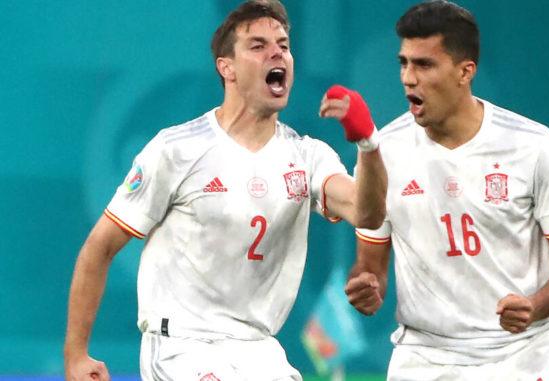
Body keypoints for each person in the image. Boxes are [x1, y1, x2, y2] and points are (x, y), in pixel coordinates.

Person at [63, 1, 386, 380]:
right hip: (183, 347)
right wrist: (76, 354)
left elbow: (367, 213)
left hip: (259, 349)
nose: (277, 52)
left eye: (283, 44)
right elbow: (99, 247)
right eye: (258, 45)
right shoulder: (177, 149)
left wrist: (368, 143)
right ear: (226, 67)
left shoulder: (307, 156)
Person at [344, 1, 549, 380]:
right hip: (427, 356)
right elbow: (371, 266)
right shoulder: (382, 154)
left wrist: (534, 305)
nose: (408, 78)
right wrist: (368, 285)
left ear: (465, 71)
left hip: (524, 351)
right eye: (404, 63)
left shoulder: (532, 146)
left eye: (424, 65)